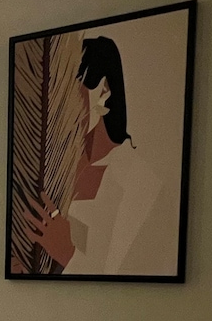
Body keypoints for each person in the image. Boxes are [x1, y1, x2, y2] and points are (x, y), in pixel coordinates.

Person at [21, 35, 159, 275]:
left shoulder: (138, 181)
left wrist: (68, 254)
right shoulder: (49, 168)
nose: (57, 111)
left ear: (103, 91)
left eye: (68, 93)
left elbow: (130, 274)